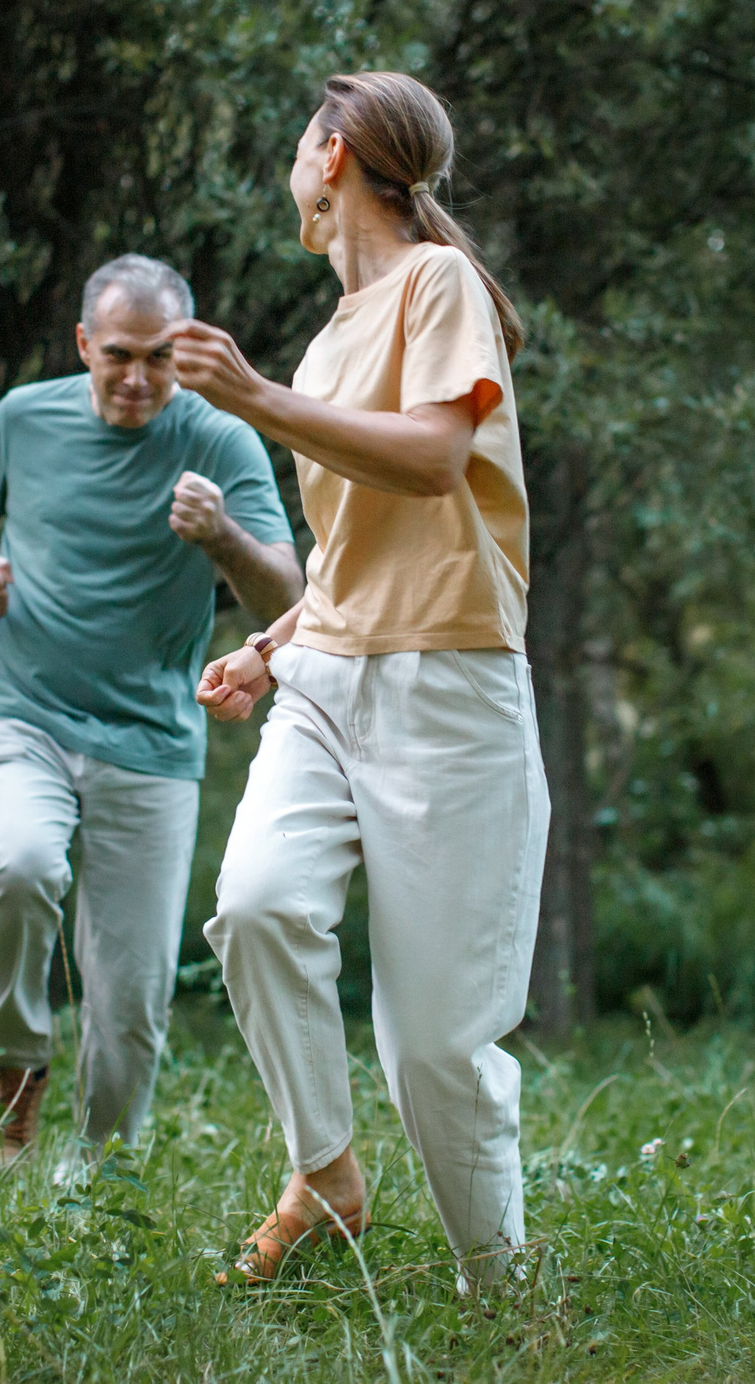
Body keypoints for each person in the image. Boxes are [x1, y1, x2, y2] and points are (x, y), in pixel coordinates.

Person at [173, 71, 547, 1295]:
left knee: (433, 1050)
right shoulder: (329, 336)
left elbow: (435, 463)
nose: (291, 158)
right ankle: (326, 1173)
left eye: (298, 137)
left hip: (448, 689)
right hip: (329, 677)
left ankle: (499, 1292)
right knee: (259, 904)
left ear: (332, 155)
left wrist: (255, 401)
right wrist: (273, 645)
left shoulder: (437, 287)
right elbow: (349, 555)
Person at [0, 253, 303, 1169]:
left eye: (161, 358)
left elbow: (285, 594)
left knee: (129, 1001)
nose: (139, 379)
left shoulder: (221, 441)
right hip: (23, 709)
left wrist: (221, 536)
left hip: (151, 740)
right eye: (120, 356)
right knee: (17, 865)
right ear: (83, 345)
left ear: (185, 352)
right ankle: (16, 1069)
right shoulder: (23, 419)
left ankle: (99, 1189)